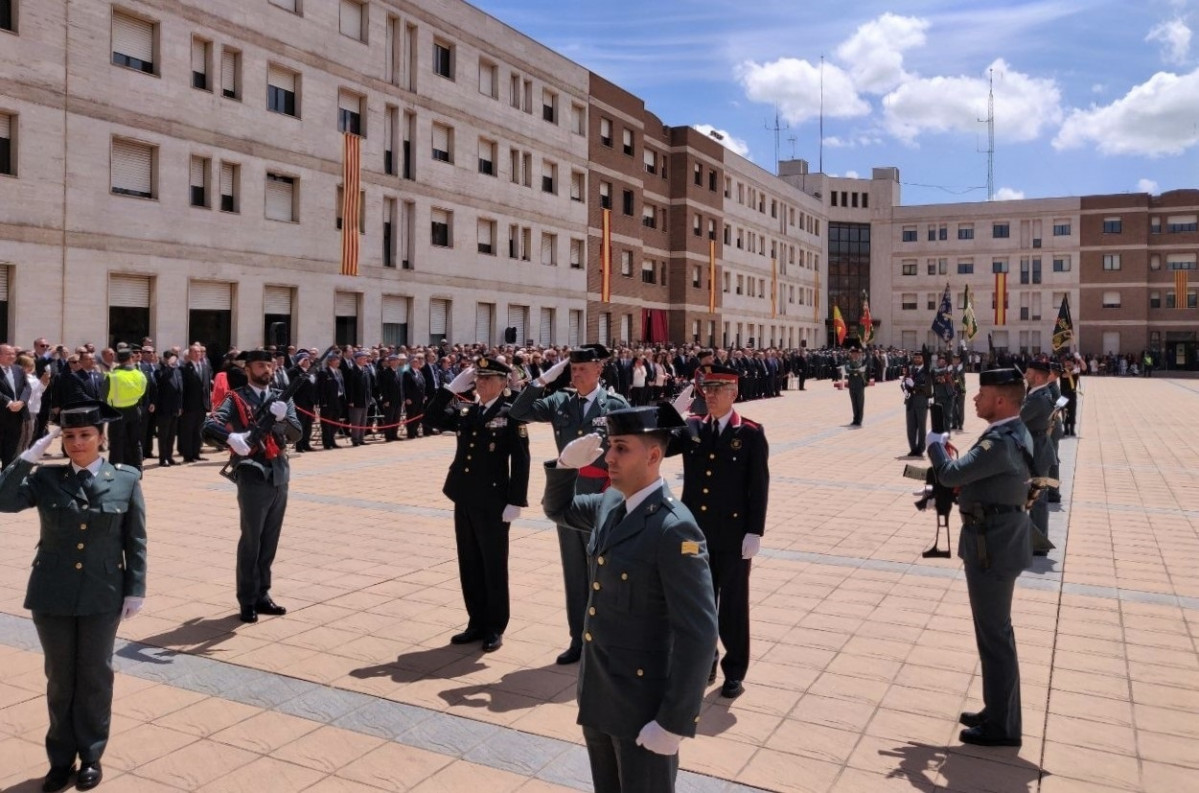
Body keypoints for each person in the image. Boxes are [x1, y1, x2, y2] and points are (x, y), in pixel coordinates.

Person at [542, 405, 717, 793]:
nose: (609, 457)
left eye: (622, 448)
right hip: (600, 694)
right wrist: (563, 466)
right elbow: (559, 509)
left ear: (653, 456)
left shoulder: (674, 528)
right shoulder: (611, 503)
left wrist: (674, 721)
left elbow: (699, 634)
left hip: (644, 708)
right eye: (611, 446)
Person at [0, 400, 147, 792]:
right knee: (61, 679)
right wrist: (28, 456)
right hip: (52, 594)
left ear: (102, 437)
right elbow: (3, 500)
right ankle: (60, 761)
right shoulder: (46, 478)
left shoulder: (127, 479)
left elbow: (135, 540)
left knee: (95, 676)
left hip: (103, 594)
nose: (77, 443)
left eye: (85, 435)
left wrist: (135, 588)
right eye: (68, 436)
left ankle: (91, 756)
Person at [924, 368, 1033, 748]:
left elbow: (952, 475)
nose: (975, 399)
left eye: (982, 393)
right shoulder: (1008, 433)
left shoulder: (1000, 442)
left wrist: (935, 445)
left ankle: (1003, 726)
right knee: (995, 634)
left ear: (1001, 401)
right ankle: (997, 709)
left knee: (995, 636)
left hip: (993, 545)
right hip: (998, 539)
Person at [507, 344, 630, 665]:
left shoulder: (614, 405)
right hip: (568, 496)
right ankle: (579, 639)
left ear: (599, 369)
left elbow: (630, 450)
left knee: (604, 571)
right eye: (573, 369)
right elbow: (518, 412)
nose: (577, 374)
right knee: (574, 572)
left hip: (604, 497)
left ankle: (607, 639)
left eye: (583, 369)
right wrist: (538, 383)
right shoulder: (560, 401)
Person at [423, 357, 530, 652]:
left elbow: (521, 461)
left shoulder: (512, 414)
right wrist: (449, 389)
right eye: (478, 379)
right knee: (469, 562)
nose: (480, 384)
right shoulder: (467, 410)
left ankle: (495, 626)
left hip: (494, 501)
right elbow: (430, 419)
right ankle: (476, 621)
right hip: (465, 496)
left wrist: (516, 501)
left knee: (493, 564)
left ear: (502, 383)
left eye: (487, 379)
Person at [680, 364, 768, 699]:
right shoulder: (691, 428)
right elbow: (656, 441)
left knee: (732, 606)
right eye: (707, 389)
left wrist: (754, 532)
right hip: (695, 535)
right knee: (699, 603)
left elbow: (758, 486)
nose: (711, 396)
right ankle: (706, 662)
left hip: (733, 536)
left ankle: (735, 670)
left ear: (734, 393)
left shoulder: (749, 433)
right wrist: (670, 412)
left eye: (718, 390)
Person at [202, 350, 302, 623]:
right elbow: (209, 426)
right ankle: (247, 599)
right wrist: (230, 437)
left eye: (269, 365)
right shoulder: (235, 398)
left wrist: (283, 419)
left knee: (270, 539)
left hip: (279, 473)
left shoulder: (281, 398)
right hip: (252, 473)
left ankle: (263, 594)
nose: (267, 369)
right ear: (248, 369)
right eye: (260, 365)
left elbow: (296, 434)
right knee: (251, 540)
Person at [102, 349, 148, 470]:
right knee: (135, 442)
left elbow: (104, 396)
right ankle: (137, 469)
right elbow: (142, 392)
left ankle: (115, 470)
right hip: (134, 409)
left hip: (117, 411)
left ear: (117, 359)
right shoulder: (140, 375)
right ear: (130, 358)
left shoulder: (112, 376)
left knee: (116, 443)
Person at [0, 343, 33, 467]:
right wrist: (8, 403)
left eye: (13, 353)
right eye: (8, 353)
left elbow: (27, 387)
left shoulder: (18, 369)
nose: (12, 356)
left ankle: (6, 482)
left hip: (17, 416)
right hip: (2, 413)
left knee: (12, 451)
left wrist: (22, 402)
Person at [154, 352, 184, 466]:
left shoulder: (177, 371)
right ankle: (163, 458)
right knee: (163, 435)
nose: (175, 362)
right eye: (172, 360)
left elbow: (180, 390)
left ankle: (170, 456)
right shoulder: (160, 370)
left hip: (175, 408)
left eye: (175, 360)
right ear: (166, 359)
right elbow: (162, 379)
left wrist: (180, 406)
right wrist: (169, 366)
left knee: (172, 435)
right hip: (164, 408)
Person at [902, 350, 932, 456]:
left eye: (919, 358)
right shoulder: (911, 370)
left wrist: (914, 385)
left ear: (923, 359)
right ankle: (913, 448)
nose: (917, 359)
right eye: (915, 358)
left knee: (921, 426)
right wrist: (904, 390)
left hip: (921, 401)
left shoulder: (926, 371)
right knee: (911, 426)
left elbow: (926, 387)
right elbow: (904, 382)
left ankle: (920, 449)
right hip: (910, 401)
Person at [840, 341, 868, 426]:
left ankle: (859, 420)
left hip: (860, 384)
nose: (855, 355)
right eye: (853, 354)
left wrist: (857, 371)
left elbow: (865, 367)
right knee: (854, 403)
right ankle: (855, 419)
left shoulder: (861, 361)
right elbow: (848, 369)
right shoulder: (849, 361)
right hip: (852, 384)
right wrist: (858, 370)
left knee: (860, 403)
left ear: (859, 354)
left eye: (856, 353)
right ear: (851, 355)